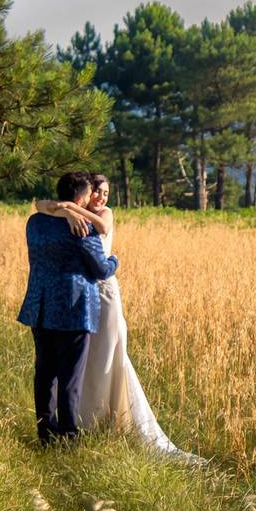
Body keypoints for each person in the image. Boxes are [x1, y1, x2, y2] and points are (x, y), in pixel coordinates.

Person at [36, 173, 205, 466]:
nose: (101, 197)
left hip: (103, 295)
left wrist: (70, 209)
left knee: (106, 355)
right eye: (96, 192)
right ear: (86, 194)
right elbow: (39, 204)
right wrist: (65, 209)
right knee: (80, 363)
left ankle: (101, 417)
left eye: (105, 192)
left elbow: (102, 227)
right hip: (83, 295)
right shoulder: (72, 219)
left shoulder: (99, 216)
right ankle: (78, 421)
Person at [17, 171, 119, 444]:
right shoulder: (82, 227)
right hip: (74, 309)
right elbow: (100, 269)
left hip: (40, 305)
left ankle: (45, 432)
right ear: (81, 197)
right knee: (70, 378)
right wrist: (115, 261)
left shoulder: (35, 223)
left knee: (45, 373)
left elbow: (42, 208)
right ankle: (69, 436)